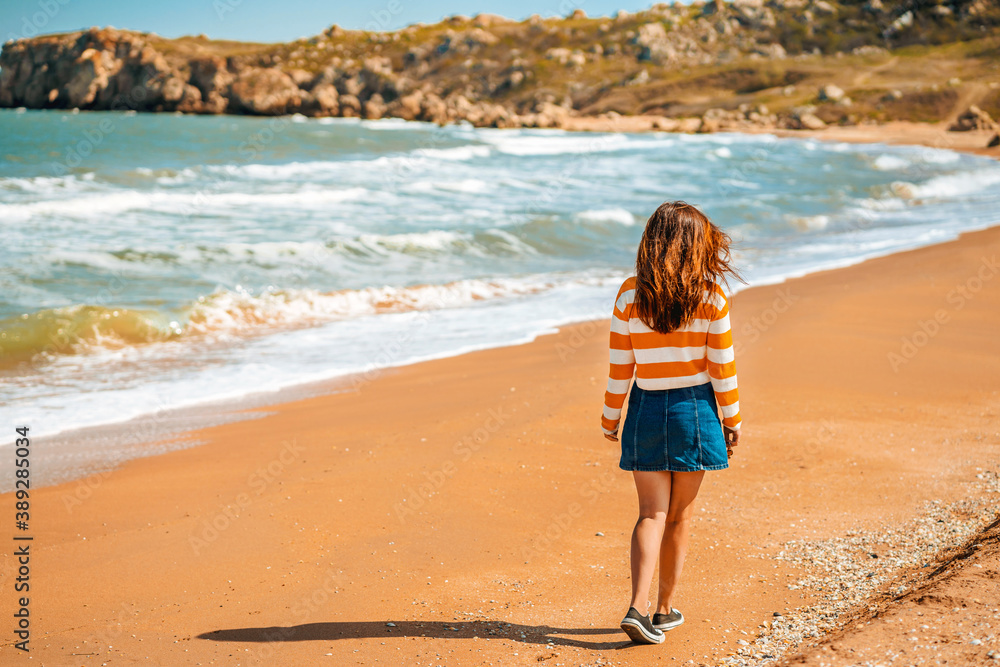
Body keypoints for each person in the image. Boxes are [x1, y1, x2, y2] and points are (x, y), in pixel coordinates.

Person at [601, 201, 743, 645]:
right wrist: (733, 418)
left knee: (650, 513)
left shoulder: (629, 294)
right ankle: (663, 610)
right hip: (695, 411)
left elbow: (620, 366)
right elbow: (722, 366)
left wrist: (610, 417)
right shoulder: (711, 295)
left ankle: (636, 607)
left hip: (644, 408)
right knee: (678, 517)